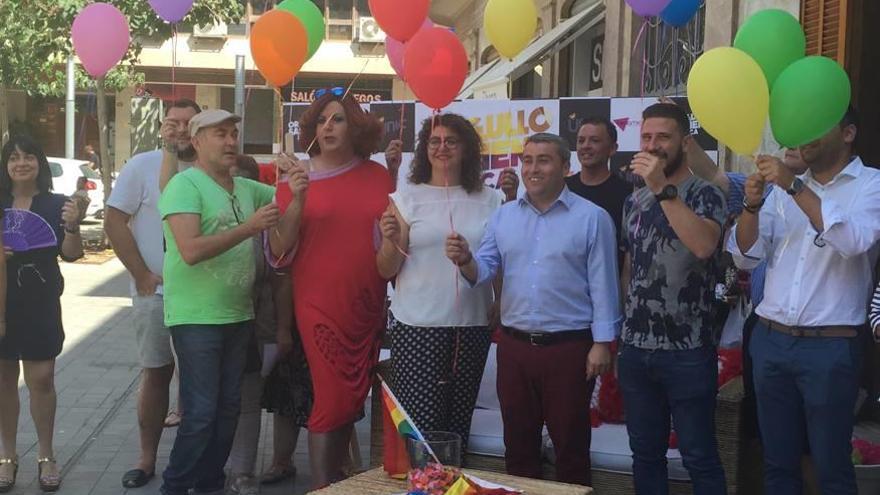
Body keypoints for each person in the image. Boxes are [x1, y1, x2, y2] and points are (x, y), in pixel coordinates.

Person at [445, 132, 621, 486]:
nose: (533, 168)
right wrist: (465, 261)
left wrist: (602, 343)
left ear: (565, 167)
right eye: (527, 160)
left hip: (569, 349)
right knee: (519, 448)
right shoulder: (503, 217)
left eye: (544, 160)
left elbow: (604, 284)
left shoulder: (592, 218)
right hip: (514, 348)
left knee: (570, 449)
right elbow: (484, 271)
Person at [729, 107, 880, 494]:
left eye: (818, 124)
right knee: (777, 465)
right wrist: (751, 206)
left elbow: (852, 242)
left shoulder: (871, 185)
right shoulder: (782, 191)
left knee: (831, 467)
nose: (805, 133)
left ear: (848, 133)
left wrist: (795, 187)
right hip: (771, 338)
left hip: (831, 345)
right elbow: (745, 256)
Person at [158, 110, 291, 495]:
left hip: (239, 314)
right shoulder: (185, 185)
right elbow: (190, 250)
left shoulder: (246, 188)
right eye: (221, 134)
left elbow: (285, 199)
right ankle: (174, 487)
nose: (231, 141)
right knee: (200, 414)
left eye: (234, 134)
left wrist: (296, 177)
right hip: (196, 317)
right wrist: (248, 229)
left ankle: (208, 485)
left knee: (228, 410)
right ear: (197, 141)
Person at [269, 90, 391, 488]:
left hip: (367, 305)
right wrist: (298, 196)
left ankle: (336, 481)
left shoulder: (378, 175)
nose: (328, 126)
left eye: (338, 119)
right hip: (318, 303)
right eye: (322, 120)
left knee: (352, 402)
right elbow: (279, 249)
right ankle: (322, 487)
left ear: (355, 127)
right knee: (331, 400)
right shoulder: (293, 178)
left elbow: (387, 237)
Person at [376, 114, 505, 452]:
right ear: (424, 149)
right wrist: (390, 240)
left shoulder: (492, 200)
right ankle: (424, 486)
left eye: (452, 141)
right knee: (421, 425)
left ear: (468, 149)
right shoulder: (406, 198)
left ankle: (455, 485)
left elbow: (500, 259)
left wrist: (500, 300)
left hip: (472, 324)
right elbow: (386, 269)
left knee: (459, 423)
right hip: (419, 323)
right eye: (435, 141)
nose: (442, 147)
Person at [618, 103, 727, 494]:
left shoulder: (705, 193)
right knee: (645, 455)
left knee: (699, 455)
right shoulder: (633, 200)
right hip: (636, 349)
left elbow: (702, 246)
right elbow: (630, 267)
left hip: (688, 350)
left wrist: (663, 189)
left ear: (684, 141)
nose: (653, 145)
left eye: (663, 137)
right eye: (646, 137)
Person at [104, 98, 200, 490]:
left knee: (199, 381)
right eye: (171, 122)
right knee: (155, 375)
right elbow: (114, 221)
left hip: (201, 297)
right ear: (162, 126)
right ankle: (146, 458)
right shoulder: (140, 166)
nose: (178, 129)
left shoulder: (211, 166)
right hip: (155, 295)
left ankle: (196, 463)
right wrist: (141, 274)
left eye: (187, 123)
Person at [224, 156, 312, 495]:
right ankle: (216, 467)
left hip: (259, 326)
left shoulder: (268, 224)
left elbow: (281, 277)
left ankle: (244, 471)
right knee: (218, 401)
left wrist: (282, 329)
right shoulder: (209, 216)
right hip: (215, 322)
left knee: (251, 400)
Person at [0, 135, 83, 493]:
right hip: (0, 299)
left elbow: (72, 253)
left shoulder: (56, 203)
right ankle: (7, 456)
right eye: (14, 157)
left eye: (28, 157)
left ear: (39, 163)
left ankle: (46, 454)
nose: (21, 163)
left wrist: (73, 226)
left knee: (42, 379)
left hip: (40, 298)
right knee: (3, 381)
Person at [566, 116, 632, 235]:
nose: (586, 146)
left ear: (612, 148)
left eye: (594, 140)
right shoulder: (562, 188)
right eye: (581, 141)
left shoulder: (628, 194)